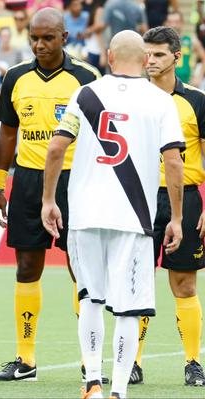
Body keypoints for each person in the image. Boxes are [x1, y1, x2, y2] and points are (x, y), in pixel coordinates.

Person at [41, 30, 185, 399]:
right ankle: (118, 390)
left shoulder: (85, 93)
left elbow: (56, 148)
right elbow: (173, 161)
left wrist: (48, 200)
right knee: (128, 308)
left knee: (90, 298)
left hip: (86, 215)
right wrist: (177, 217)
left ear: (108, 55)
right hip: (133, 219)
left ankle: (92, 382)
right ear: (144, 59)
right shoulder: (160, 101)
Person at [0, 7, 101, 382]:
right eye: (34, 38)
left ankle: (90, 358)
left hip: (77, 181)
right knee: (26, 266)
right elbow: (7, 133)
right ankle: (25, 359)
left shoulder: (87, 77)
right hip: (29, 182)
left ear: (64, 38)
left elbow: (104, 137)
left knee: (80, 268)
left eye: (47, 38)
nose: (39, 44)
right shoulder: (16, 77)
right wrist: (0, 185)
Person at [131, 25, 205, 387]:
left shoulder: (196, 100)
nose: (151, 60)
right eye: (147, 53)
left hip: (186, 198)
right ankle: (133, 361)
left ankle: (193, 362)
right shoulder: (131, 99)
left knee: (184, 283)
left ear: (177, 57)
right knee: (138, 282)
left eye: (159, 54)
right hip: (140, 198)